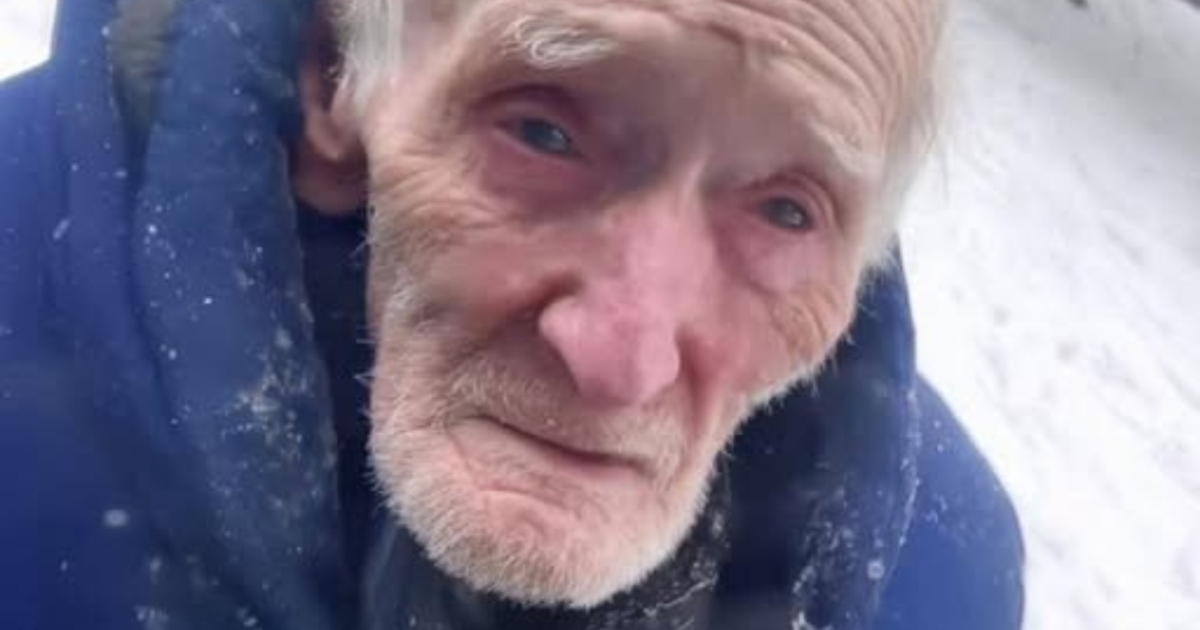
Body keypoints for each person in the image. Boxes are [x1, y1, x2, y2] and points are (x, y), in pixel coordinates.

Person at [0, 1, 1024, 629]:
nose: (625, 360)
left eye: (786, 212)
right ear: (339, 72)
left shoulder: (938, 579)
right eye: (542, 131)